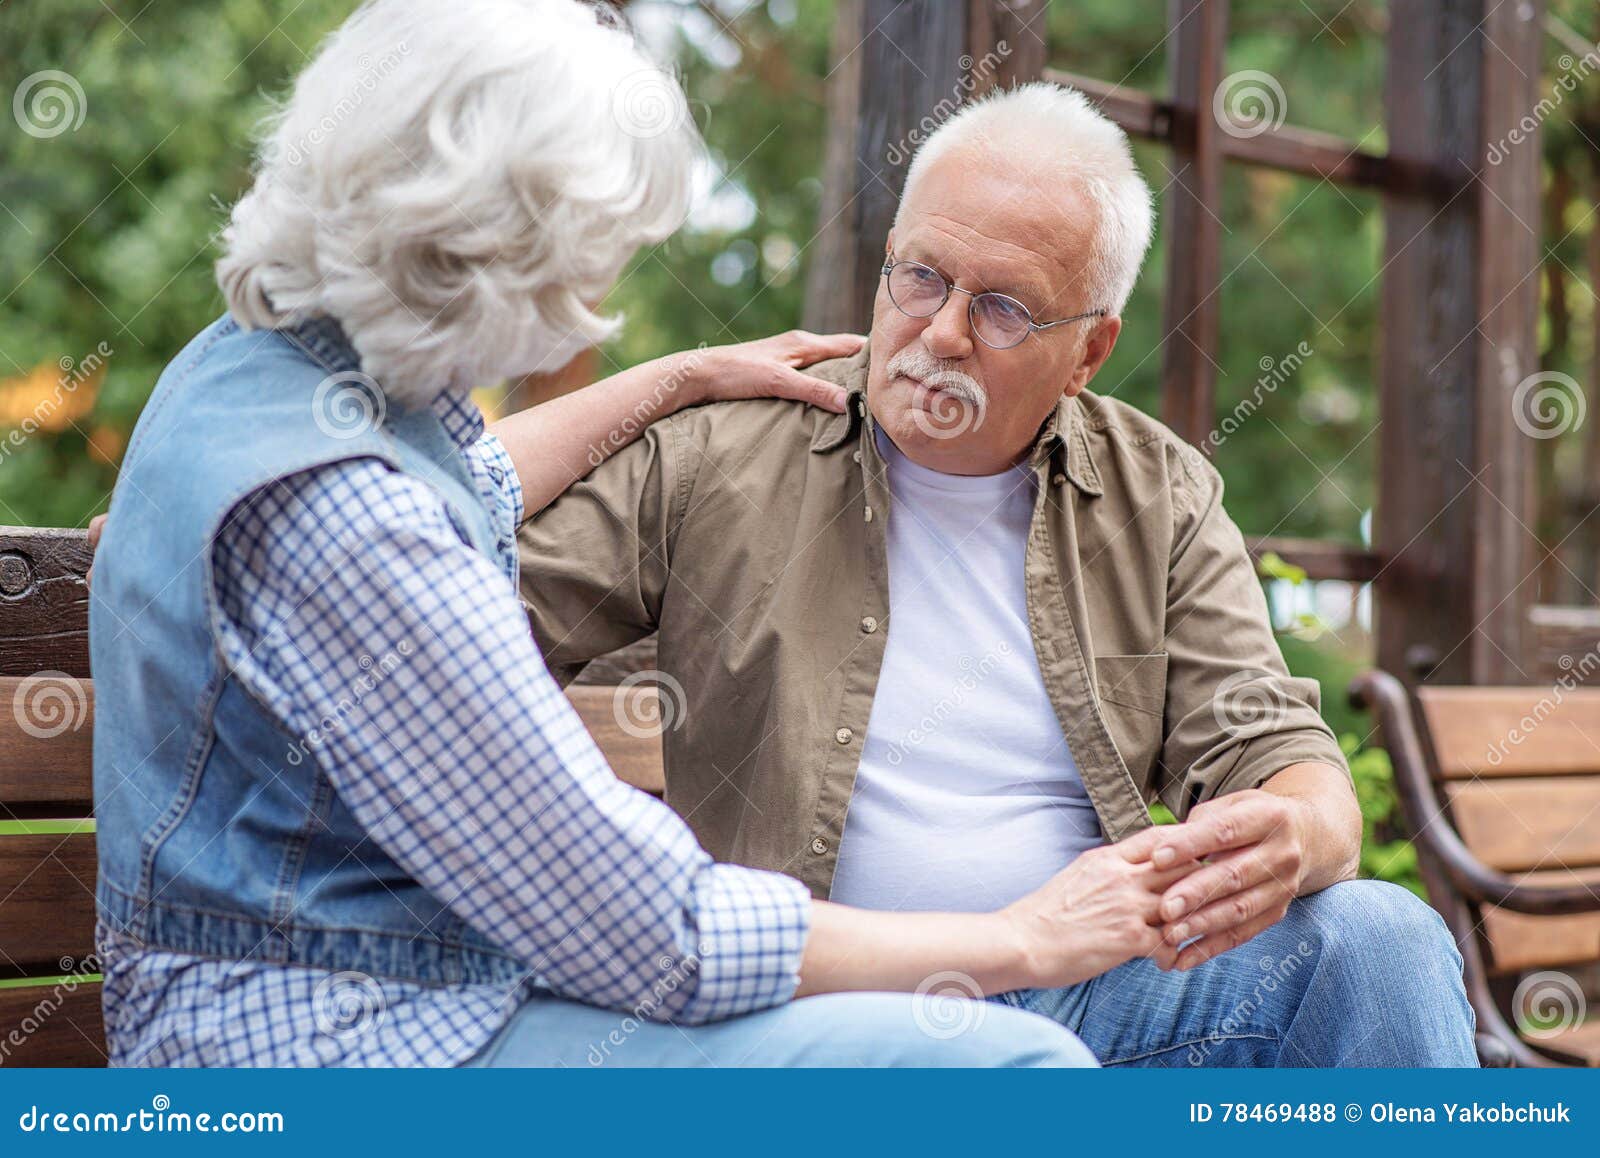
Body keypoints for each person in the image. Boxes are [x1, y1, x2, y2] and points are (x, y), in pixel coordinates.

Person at [88, 0, 1147, 1068]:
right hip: (355, 1044)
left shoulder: (252, 368)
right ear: (497, 248)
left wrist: (681, 377)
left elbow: (470, 487)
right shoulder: (349, 525)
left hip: (376, 994)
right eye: (594, 252)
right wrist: (1021, 939)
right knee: (1007, 1069)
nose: (600, 290)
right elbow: (654, 932)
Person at [513, 82, 1480, 1067]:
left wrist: (1292, 830)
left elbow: (1278, 751)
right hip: (825, 1009)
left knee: (1377, 939)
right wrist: (662, 382)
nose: (941, 333)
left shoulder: (1157, 492)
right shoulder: (722, 451)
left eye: (1005, 309)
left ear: (1089, 351)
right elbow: (421, 556)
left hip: (1094, 1001)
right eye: (921, 276)